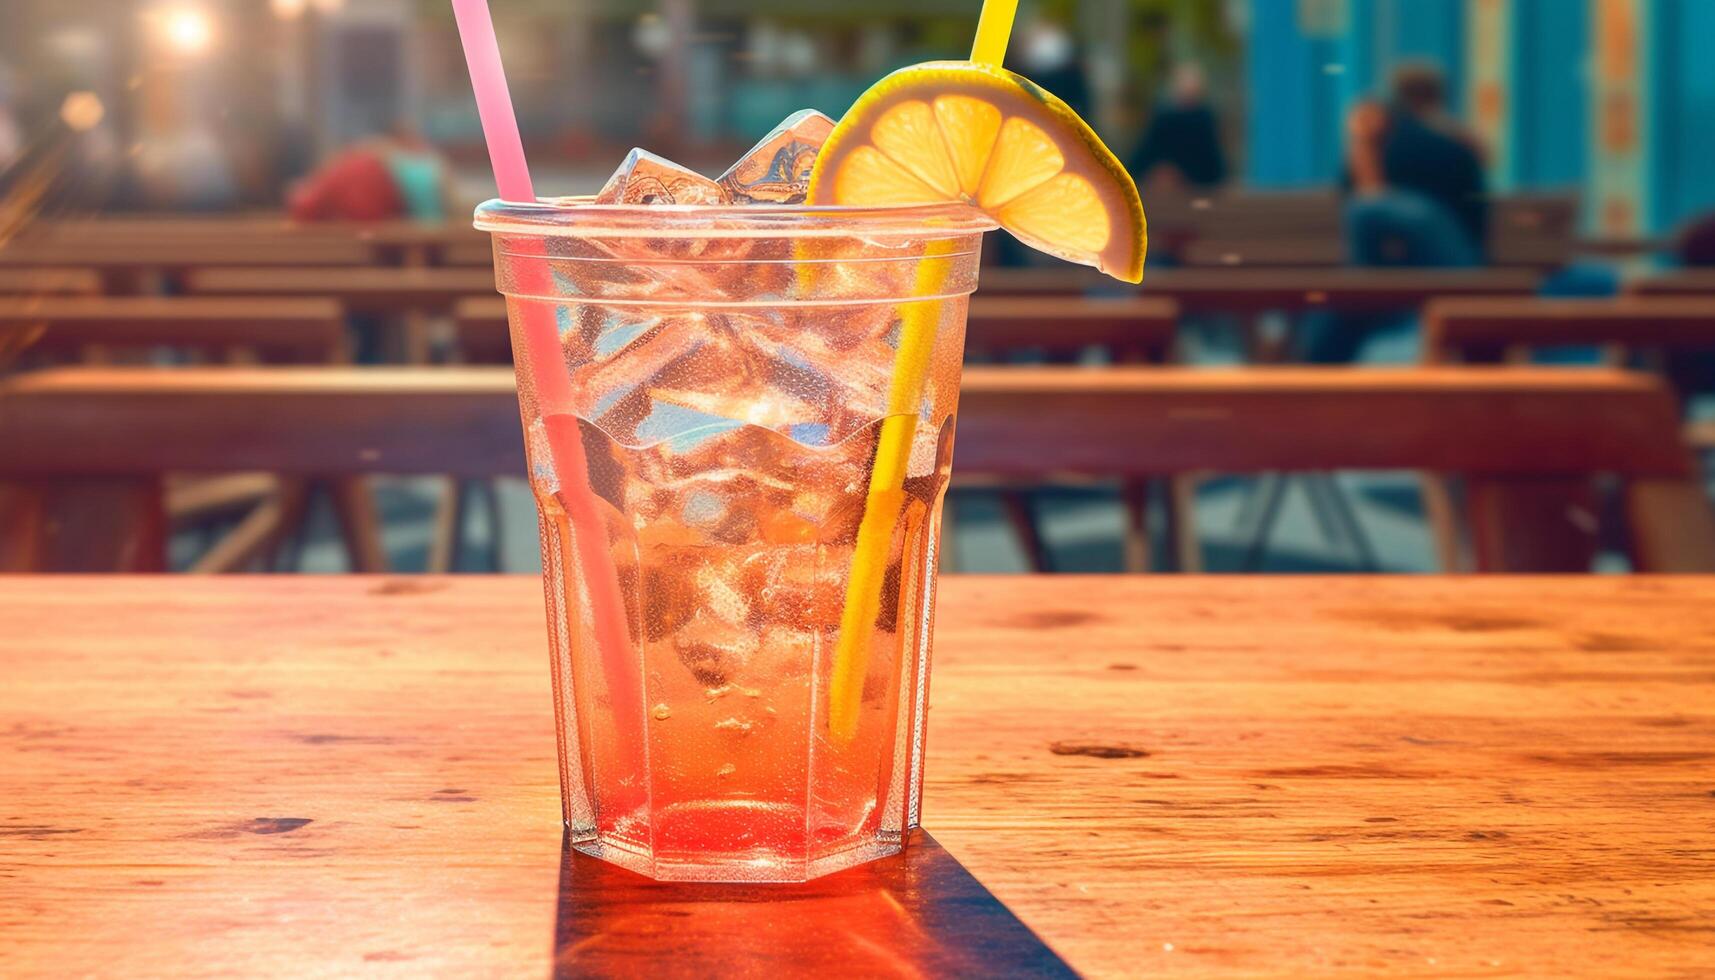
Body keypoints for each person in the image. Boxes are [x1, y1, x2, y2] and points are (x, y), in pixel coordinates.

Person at [1343, 62, 1488, 265]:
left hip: (1412, 258)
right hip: (1453, 255)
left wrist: (1363, 142)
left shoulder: (1384, 141)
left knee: (1369, 209)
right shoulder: (1454, 140)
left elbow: (1359, 193)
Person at [288, 125, 451, 223]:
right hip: (396, 246)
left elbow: (304, 208)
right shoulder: (421, 167)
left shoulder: (355, 164)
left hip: (364, 249)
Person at [1129, 64, 1227, 189]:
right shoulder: (1164, 120)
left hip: (1196, 191)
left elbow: (1213, 169)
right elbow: (1143, 160)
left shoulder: (1203, 122)